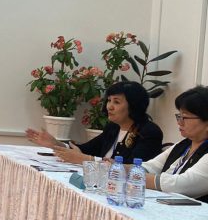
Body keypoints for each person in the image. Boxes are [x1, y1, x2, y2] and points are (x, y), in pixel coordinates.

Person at [26, 81, 163, 164]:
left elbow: (131, 168)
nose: (109, 107)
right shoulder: (113, 128)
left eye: (116, 102)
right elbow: (85, 150)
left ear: (133, 105)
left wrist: (85, 159)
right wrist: (56, 144)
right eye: (109, 101)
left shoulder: (149, 132)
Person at [142, 86, 208, 201]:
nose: (179, 122)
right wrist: (121, 169)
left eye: (185, 117)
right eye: (179, 116)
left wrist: (136, 177)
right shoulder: (184, 144)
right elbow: (151, 166)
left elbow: (181, 185)